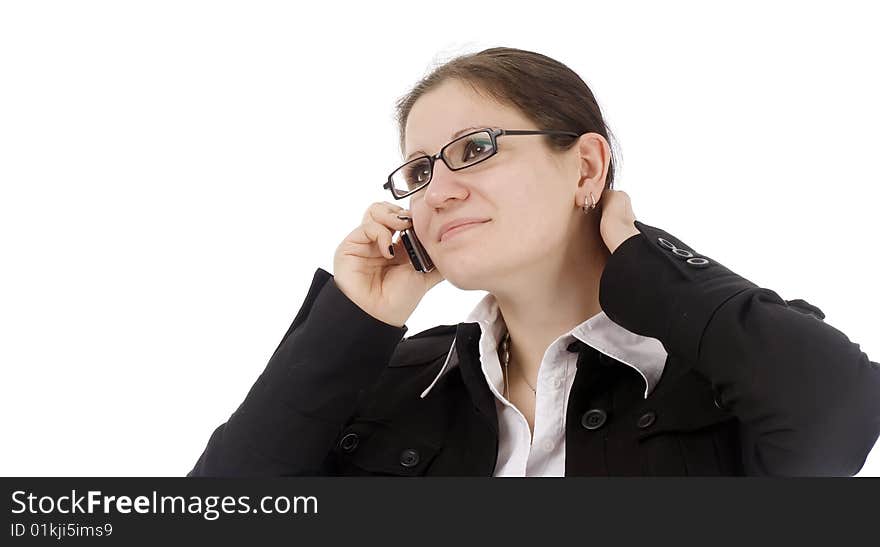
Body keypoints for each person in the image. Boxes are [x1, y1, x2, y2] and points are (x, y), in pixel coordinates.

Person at [188, 47, 880, 476]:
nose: (441, 187)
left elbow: (843, 406)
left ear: (585, 166)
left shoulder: (712, 383)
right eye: (420, 169)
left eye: (477, 148)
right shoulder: (394, 387)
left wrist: (643, 259)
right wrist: (356, 320)